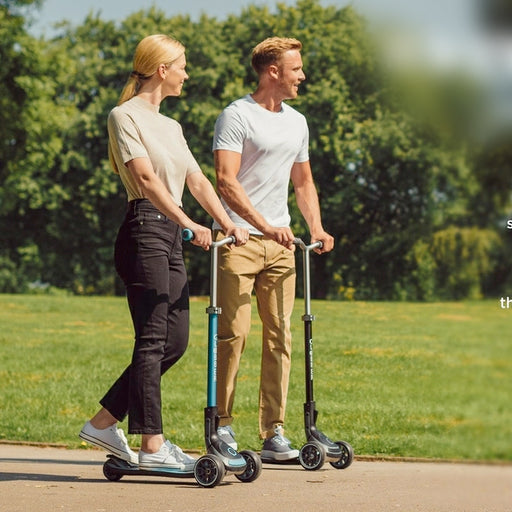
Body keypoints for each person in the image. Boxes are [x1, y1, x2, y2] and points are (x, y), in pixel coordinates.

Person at [79, 34, 248, 472]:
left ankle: (102, 422)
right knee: (152, 338)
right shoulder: (124, 116)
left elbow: (197, 180)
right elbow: (147, 180)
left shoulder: (170, 126)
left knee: (174, 342)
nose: (187, 74)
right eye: (183, 66)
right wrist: (190, 224)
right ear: (162, 69)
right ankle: (152, 445)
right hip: (145, 230)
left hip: (171, 235)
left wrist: (225, 221)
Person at [212, 36, 334, 462]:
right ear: (273, 72)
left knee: (281, 336)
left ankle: (273, 432)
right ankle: (221, 427)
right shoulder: (235, 115)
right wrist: (263, 226)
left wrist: (315, 226)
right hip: (238, 241)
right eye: (296, 68)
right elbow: (225, 180)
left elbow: (302, 181)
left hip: (282, 246)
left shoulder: (297, 121)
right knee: (233, 334)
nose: (302, 75)